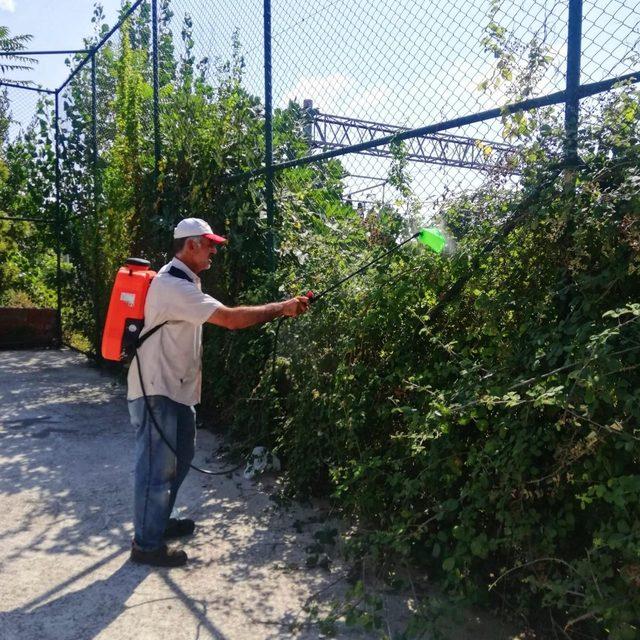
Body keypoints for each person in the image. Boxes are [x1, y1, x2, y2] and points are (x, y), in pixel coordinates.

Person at [127, 217, 309, 567]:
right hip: (155, 389)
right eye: (209, 243)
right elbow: (229, 319)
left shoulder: (186, 282)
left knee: (178, 462)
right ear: (191, 244)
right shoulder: (171, 286)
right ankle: (146, 545)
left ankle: (158, 524)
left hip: (175, 390)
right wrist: (280, 308)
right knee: (155, 469)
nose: (214, 250)